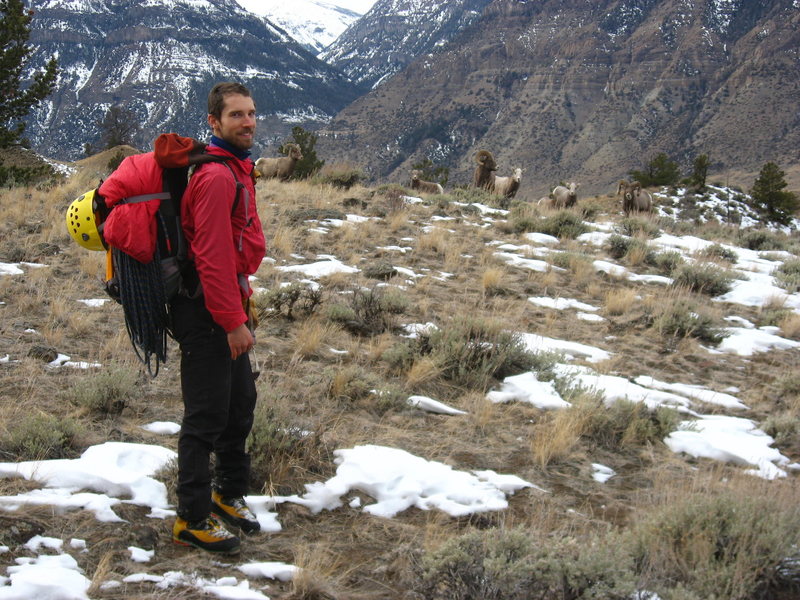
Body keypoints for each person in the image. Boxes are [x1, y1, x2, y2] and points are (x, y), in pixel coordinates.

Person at [170, 82, 266, 554]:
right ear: (214, 122)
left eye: (251, 113)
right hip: (206, 308)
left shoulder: (236, 169)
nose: (247, 122)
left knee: (239, 404)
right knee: (206, 413)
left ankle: (228, 494)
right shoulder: (216, 178)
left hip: (227, 303)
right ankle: (190, 517)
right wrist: (231, 321)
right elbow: (209, 255)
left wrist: (239, 308)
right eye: (236, 116)